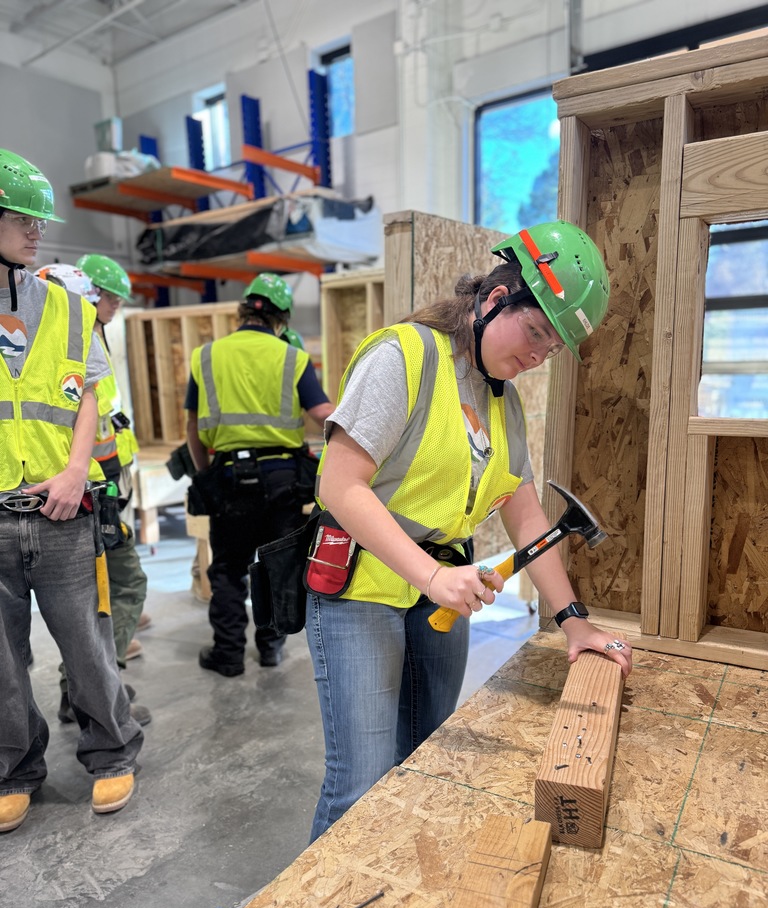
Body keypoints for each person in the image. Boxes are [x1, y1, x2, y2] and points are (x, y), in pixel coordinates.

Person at [306, 219, 634, 841]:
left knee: (426, 756)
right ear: (493, 299)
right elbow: (340, 486)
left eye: (551, 348)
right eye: (535, 332)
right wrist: (431, 574)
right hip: (359, 594)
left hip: (437, 598)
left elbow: (527, 513)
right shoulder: (403, 356)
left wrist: (574, 621)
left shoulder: (502, 399)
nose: (537, 357)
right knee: (362, 779)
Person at [0, 149, 143, 833]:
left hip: (61, 511)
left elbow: (88, 397)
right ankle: (13, 768)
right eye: (24, 218)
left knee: (87, 643)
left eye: (38, 220)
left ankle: (112, 753)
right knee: (2, 662)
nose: (38, 232)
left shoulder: (65, 305)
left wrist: (73, 470)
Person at [185, 272, 334, 673]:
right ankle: (270, 647)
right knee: (277, 565)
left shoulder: (206, 356)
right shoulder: (293, 357)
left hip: (230, 477)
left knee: (228, 570)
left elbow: (193, 430)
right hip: (283, 480)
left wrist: (205, 477)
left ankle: (229, 654)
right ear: (281, 318)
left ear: (241, 312)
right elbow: (322, 413)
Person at [35, 260, 151, 727]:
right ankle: (98, 691)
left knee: (90, 601)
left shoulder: (79, 341)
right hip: (86, 494)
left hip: (95, 487)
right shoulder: (73, 346)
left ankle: (81, 691)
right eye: (111, 300)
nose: (112, 309)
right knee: (118, 589)